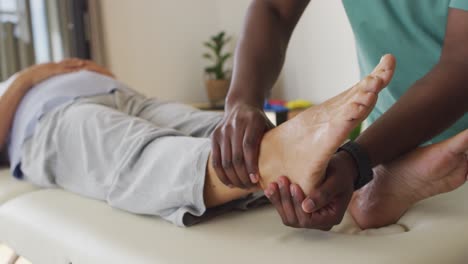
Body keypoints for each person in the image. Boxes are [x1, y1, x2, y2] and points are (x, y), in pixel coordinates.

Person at [0, 58, 466, 229]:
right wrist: (29, 77)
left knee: (214, 132)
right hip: (46, 122)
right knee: (126, 150)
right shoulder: (21, 85)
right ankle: (276, 157)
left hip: (125, 96)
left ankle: (368, 190)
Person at [212, 0, 468, 229]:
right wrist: (241, 103)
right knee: (183, 129)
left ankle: (296, 155)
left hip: (444, 143)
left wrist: (356, 160)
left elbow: (462, 66)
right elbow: (275, 8)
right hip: (385, 143)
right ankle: (383, 178)